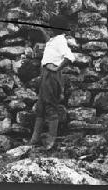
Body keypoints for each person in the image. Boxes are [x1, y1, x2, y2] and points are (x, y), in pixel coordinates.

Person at [29, 15, 75, 150]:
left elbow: (69, 56)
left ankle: (51, 140)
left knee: (50, 107)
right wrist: (41, 31)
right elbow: (49, 42)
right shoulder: (55, 39)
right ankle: (35, 139)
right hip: (45, 75)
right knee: (40, 107)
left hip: (51, 76)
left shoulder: (61, 41)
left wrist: (57, 68)